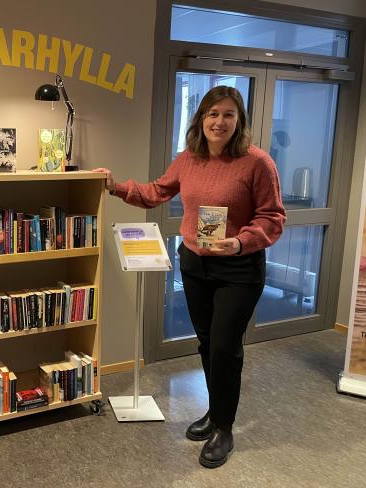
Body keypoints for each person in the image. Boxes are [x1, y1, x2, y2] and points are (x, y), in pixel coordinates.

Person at [94, 86, 286, 469]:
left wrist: (240, 241)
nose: (220, 122)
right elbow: (156, 192)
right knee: (205, 343)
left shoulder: (257, 162)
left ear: (239, 121)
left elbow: (273, 217)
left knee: (224, 348)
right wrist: (116, 186)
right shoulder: (188, 159)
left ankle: (225, 428)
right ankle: (215, 414)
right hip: (196, 265)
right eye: (213, 114)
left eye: (229, 115)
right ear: (200, 119)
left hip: (239, 268)